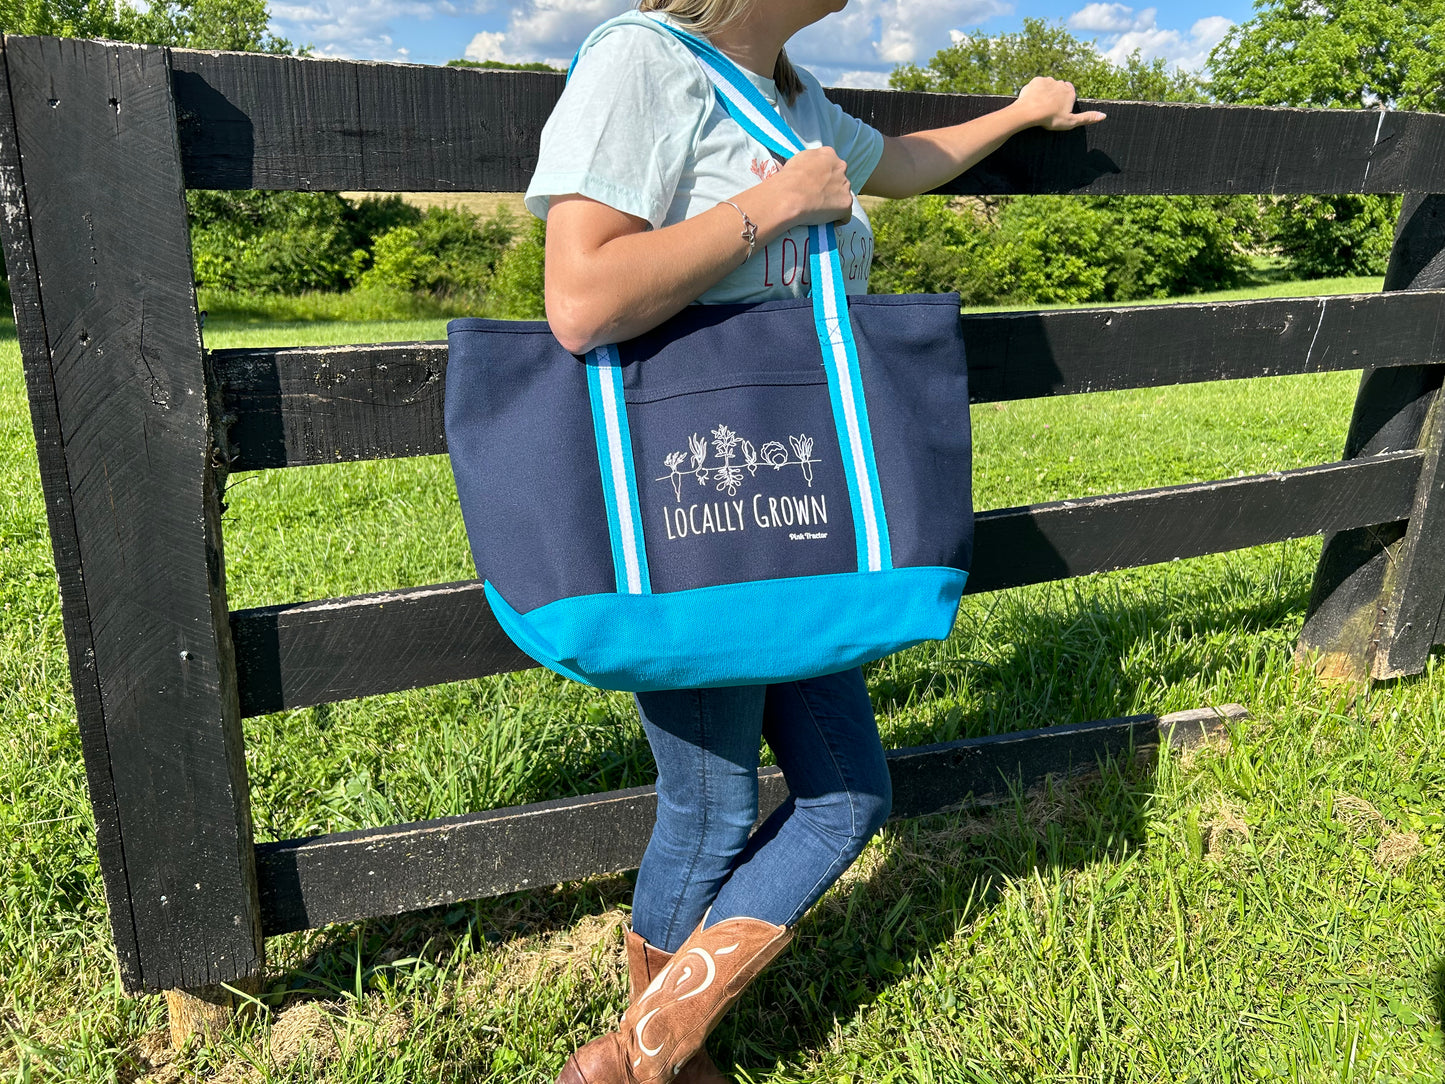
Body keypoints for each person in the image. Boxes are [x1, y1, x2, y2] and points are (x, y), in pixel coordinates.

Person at [523, 3, 1106, 1081]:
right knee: (710, 809)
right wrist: (777, 202)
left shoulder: (785, 93)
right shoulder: (641, 63)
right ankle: (652, 1061)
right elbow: (579, 296)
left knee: (847, 796)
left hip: (791, 503)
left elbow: (899, 163)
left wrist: (1020, 112)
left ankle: (643, 1054)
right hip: (692, 497)